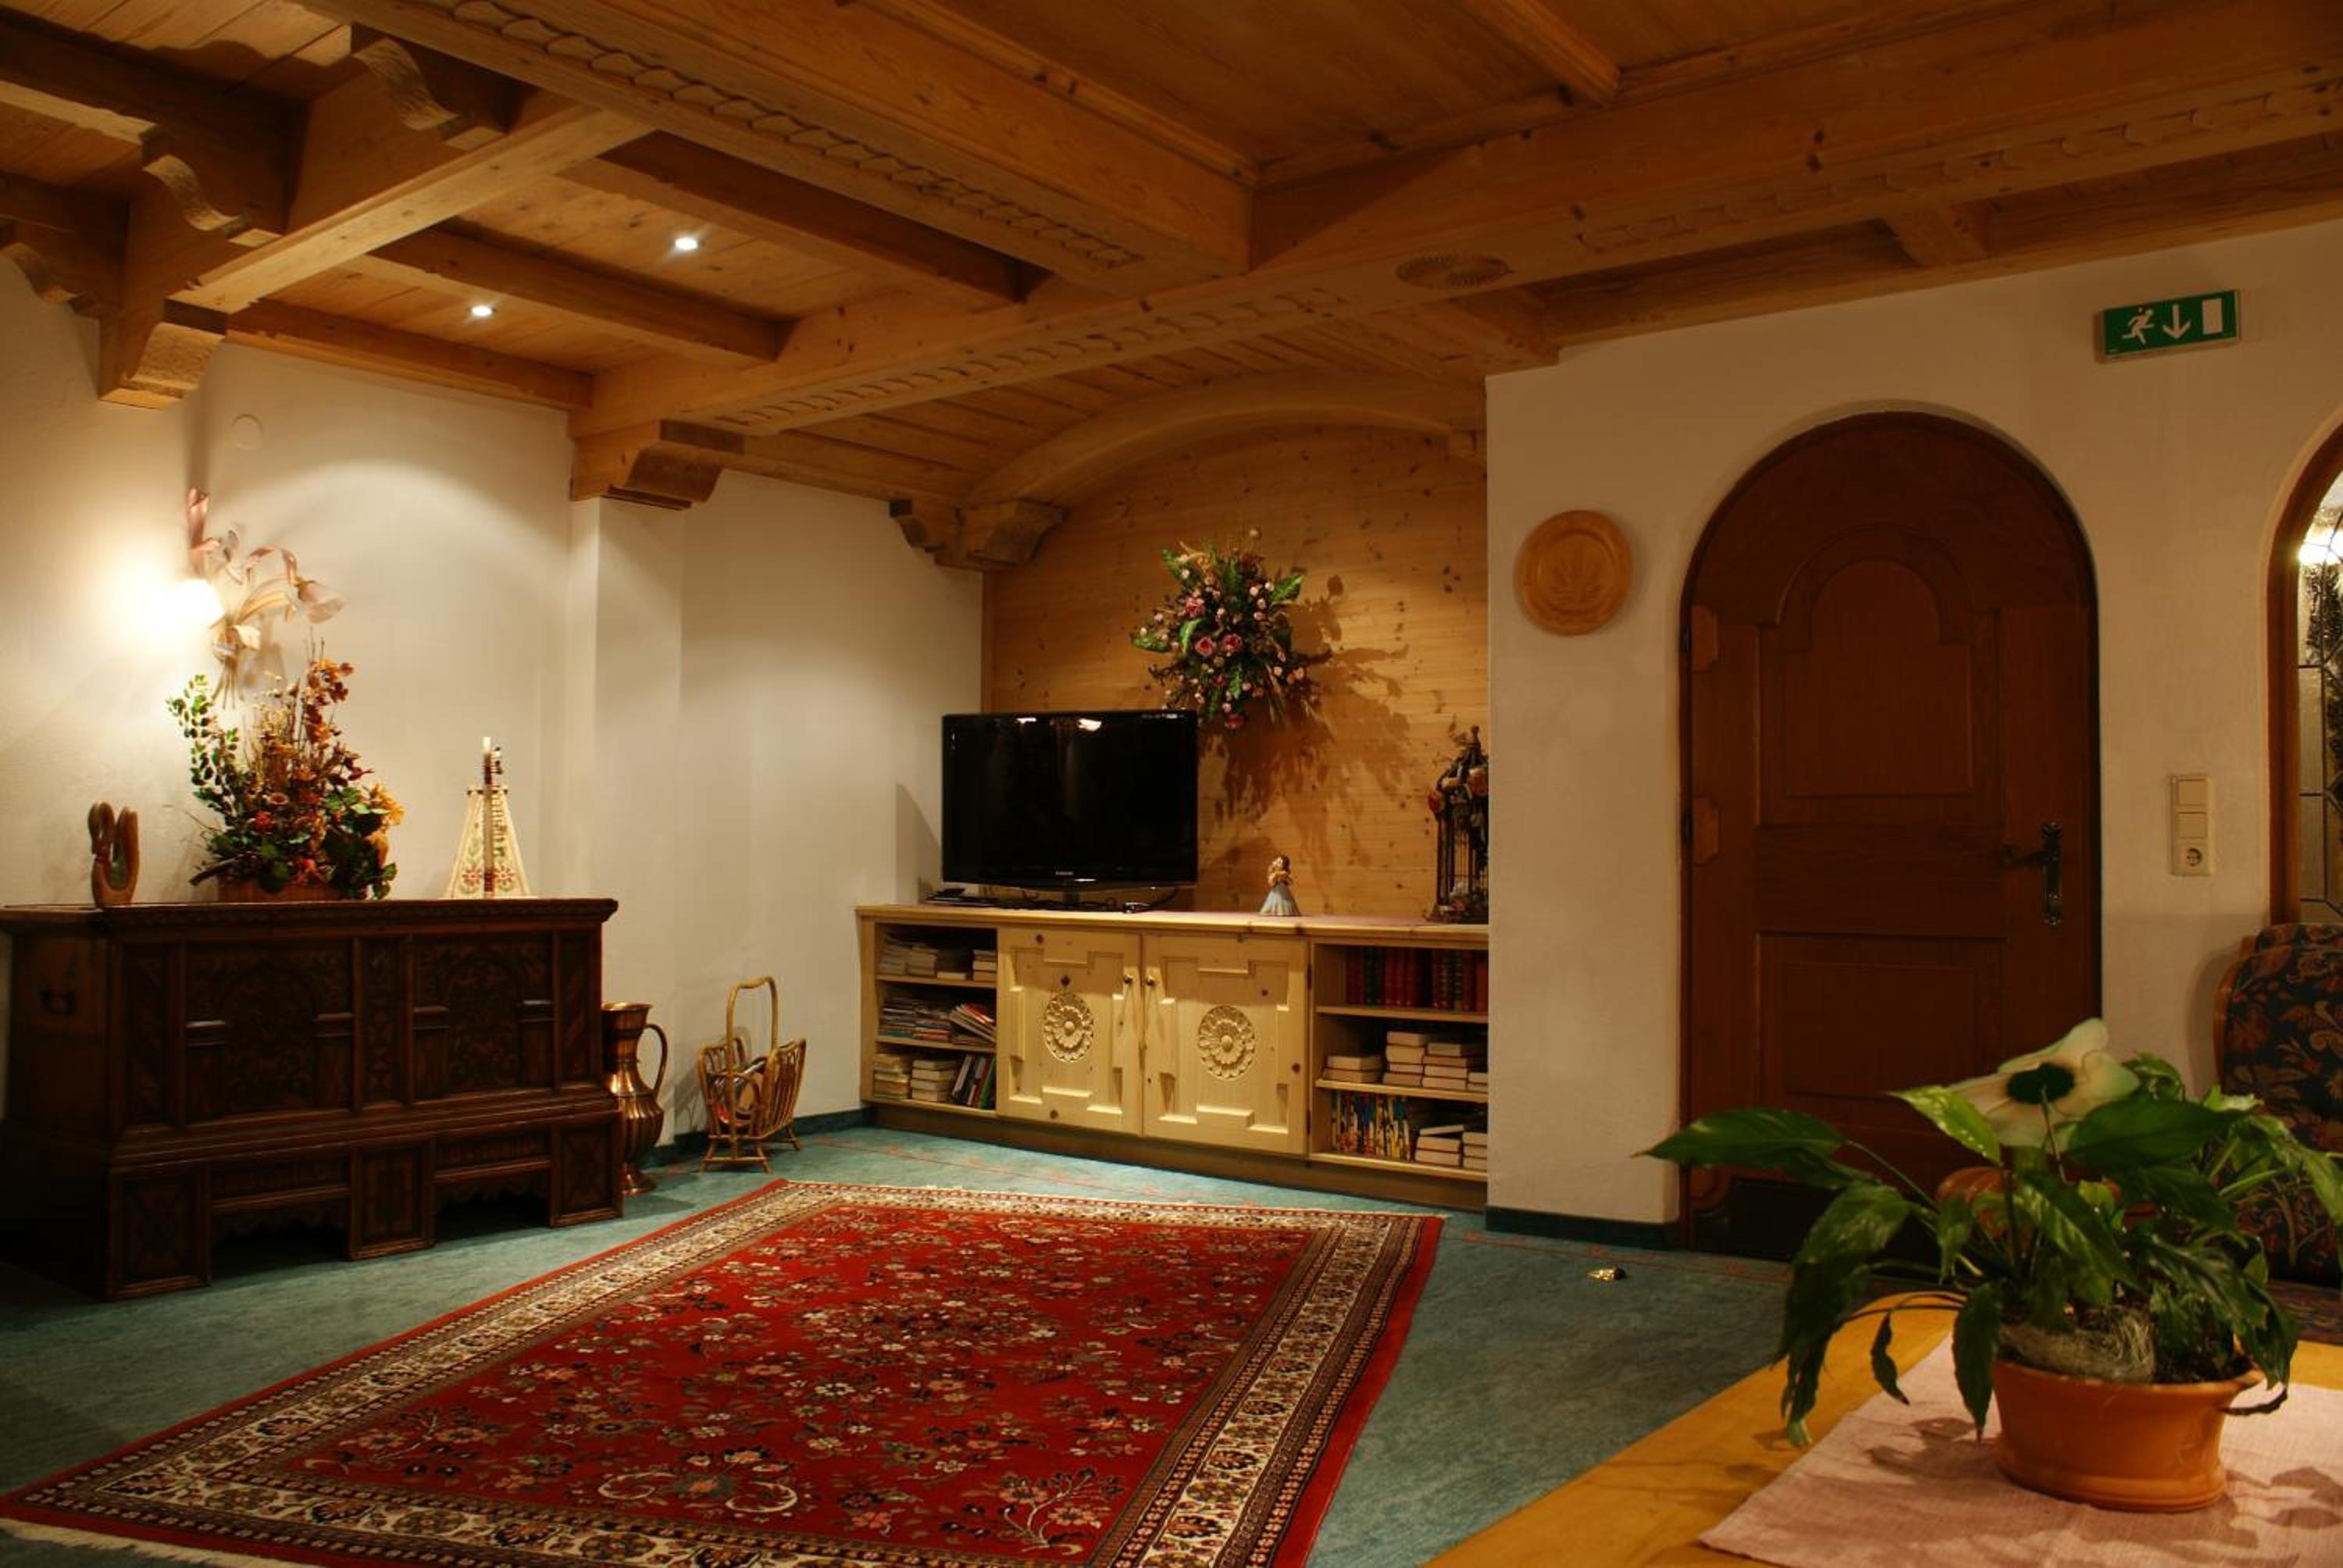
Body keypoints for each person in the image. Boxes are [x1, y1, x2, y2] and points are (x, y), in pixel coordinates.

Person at [1259, 853, 1300, 917]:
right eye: (1277, 861)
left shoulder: (1285, 873)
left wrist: (1286, 877)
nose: (1277, 864)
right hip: (1275, 892)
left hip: (1284, 891)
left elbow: (1291, 882)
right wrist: (1276, 875)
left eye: (1280, 863)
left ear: (1284, 866)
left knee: (1286, 902)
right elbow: (1271, 882)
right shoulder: (1273, 873)